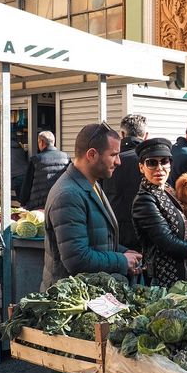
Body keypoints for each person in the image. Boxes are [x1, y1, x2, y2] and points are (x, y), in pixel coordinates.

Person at [41, 123, 142, 291]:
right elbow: (77, 259)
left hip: (89, 294)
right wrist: (122, 261)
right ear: (92, 155)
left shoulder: (91, 184)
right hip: (71, 302)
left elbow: (99, 240)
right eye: (114, 155)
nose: (119, 161)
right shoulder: (68, 195)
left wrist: (125, 251)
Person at [131, 138, 187, 288]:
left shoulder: (168, 190)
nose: (159, 168)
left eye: (164, 161)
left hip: (184, 275)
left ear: (170, 165)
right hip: (163, 280)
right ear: (142, 167)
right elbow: (167, 242)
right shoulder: (145, 200)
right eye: (152, 163)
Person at [102, 114, 149, 250]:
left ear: (122, 134)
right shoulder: (153, 162)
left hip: (113, 229)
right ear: (146, 136)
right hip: (146, 229)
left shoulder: (108, 160)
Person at [20, 131, 70, 210]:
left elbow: (27, 184)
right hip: (60, 202)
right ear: (53, 142)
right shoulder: (66, 157)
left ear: (42, 142)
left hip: (39, 205)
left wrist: (23, 202)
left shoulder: (36, 159)